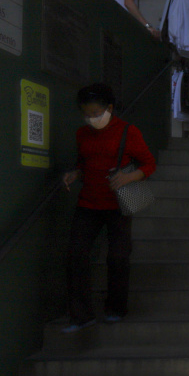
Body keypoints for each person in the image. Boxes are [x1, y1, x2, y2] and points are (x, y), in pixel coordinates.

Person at [62, 83, 156, 332]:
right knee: (75, 256)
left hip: (118, 204)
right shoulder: (82, 134)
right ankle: (81, 316)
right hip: (88, 202)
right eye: (87, 114)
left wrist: (128, 177)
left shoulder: (128, 131)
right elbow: (84, 162)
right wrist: (75, 173)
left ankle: (116, 309)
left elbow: (149, 164)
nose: (92, 118)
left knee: (118, 257)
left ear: (109, 108)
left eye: (96, 113)